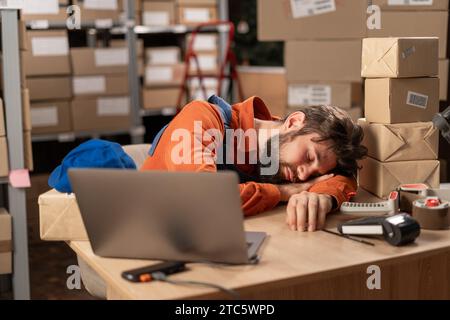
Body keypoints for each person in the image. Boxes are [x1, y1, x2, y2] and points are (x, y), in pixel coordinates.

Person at [141, 96, 367, 232]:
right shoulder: (201, 118)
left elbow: (342, 178)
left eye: (315, 173)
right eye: (309, 157)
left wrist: (322, 197)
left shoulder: (277, 146)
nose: (303, 175)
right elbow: (204, 196)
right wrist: (282, 192)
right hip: (148, 239)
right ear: (294, 122)